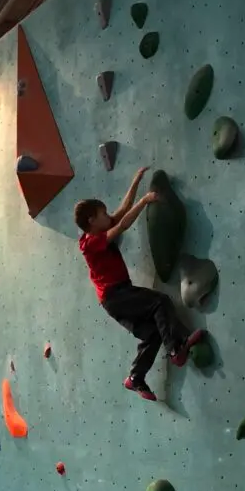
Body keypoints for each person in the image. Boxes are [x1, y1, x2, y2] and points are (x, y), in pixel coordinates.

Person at [75, 166, 206, 402]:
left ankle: (135, 378)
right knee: (160, 302)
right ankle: (176, 349)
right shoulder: (91, 243)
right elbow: (124, 224)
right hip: (116, 295)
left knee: (152, 334)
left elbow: (122, 211)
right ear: (91, 220)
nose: (108, 216)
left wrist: (136, 180)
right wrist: (145, 200)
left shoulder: (99, 230)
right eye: (103, 214)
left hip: (115, 299)